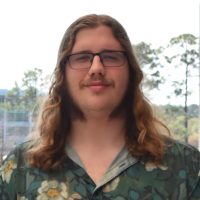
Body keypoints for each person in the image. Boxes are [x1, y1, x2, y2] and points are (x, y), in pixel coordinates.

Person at [0, 14, 199, 200]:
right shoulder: (19, 167)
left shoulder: (186, 166)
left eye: (111, 57)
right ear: (63, 76)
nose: (96, 68)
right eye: (82, 57)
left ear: (131, 73)